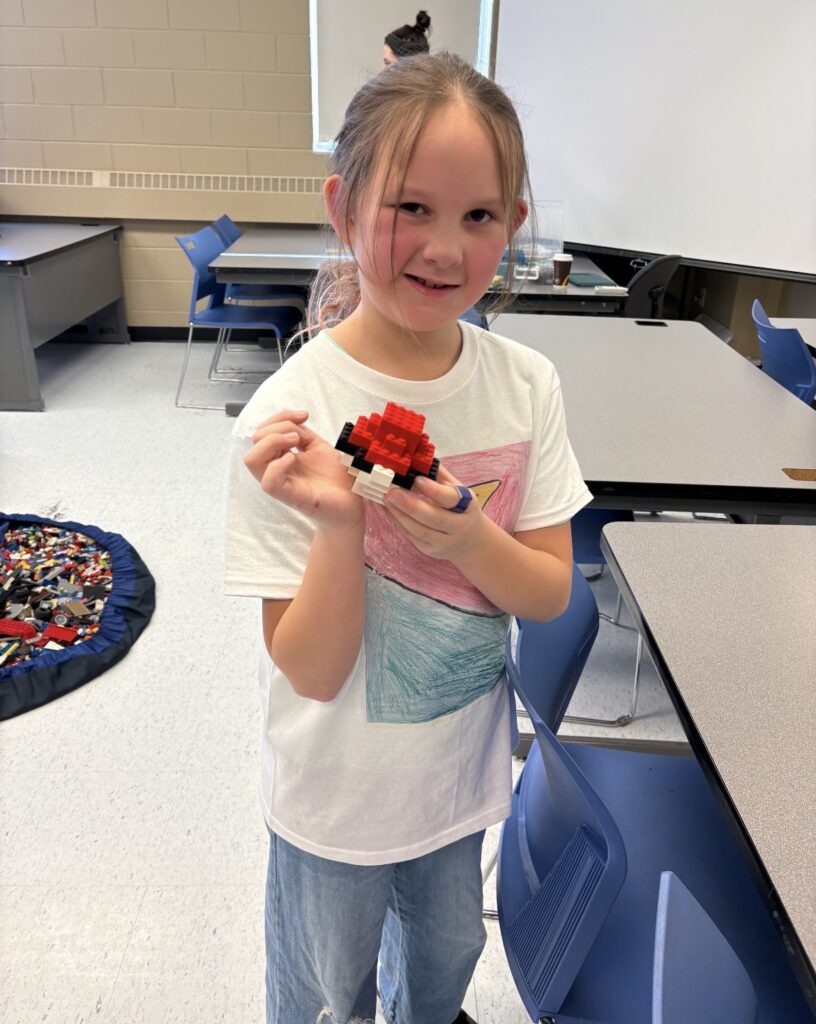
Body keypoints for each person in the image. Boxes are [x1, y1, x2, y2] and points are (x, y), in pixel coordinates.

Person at [225, 52, 592, 1024]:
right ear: (345, 209)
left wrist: (470, 540)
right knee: (321, 994)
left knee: (441, 969)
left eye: (478, 215)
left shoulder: (526, 387)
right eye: (410, 208)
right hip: (331, 803)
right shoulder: (288, 418)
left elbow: (549, 590)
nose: (444, 245)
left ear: (513, 225)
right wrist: (341, 526)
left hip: (456, 788)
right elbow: (308, 669)